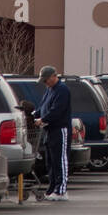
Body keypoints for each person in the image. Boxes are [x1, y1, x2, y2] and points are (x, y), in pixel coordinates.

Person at [35, 66, 71, 201]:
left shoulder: (62, 90)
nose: (45, 83)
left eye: (46, 80)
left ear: (53, 77)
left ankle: (61, 190)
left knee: (60, 160)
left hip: (59, 129)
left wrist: (43, 119)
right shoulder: (50, 90)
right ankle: (53, 188)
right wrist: (34, 114)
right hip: (49, 130)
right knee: (51, 162)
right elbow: (43, 107)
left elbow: (57, 110)